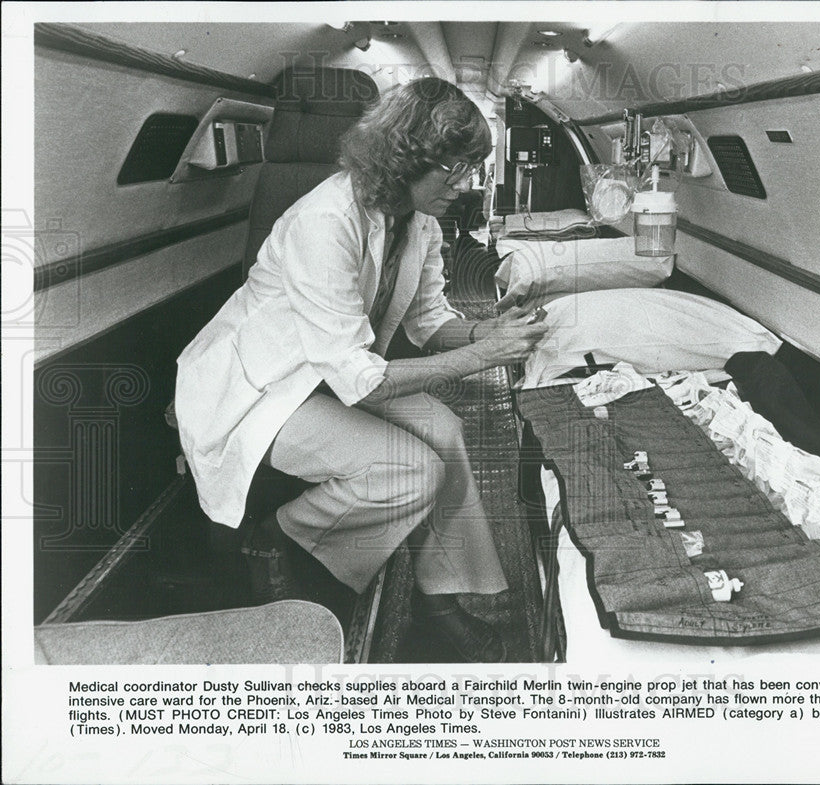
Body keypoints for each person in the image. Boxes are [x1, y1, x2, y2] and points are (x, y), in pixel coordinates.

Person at [174, 78, 548, 662]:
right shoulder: (325, 220)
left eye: (471, 167)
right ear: (405, 159)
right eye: (453, 168)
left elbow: (429, 320)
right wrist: (481, 358)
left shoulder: (419, 222)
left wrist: (487, 332)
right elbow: (362, 379)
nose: (465, 185)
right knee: (411, 472)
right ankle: (279, 537)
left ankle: (441, 597)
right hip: (260, 388)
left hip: (329, 373)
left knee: (446, 430)